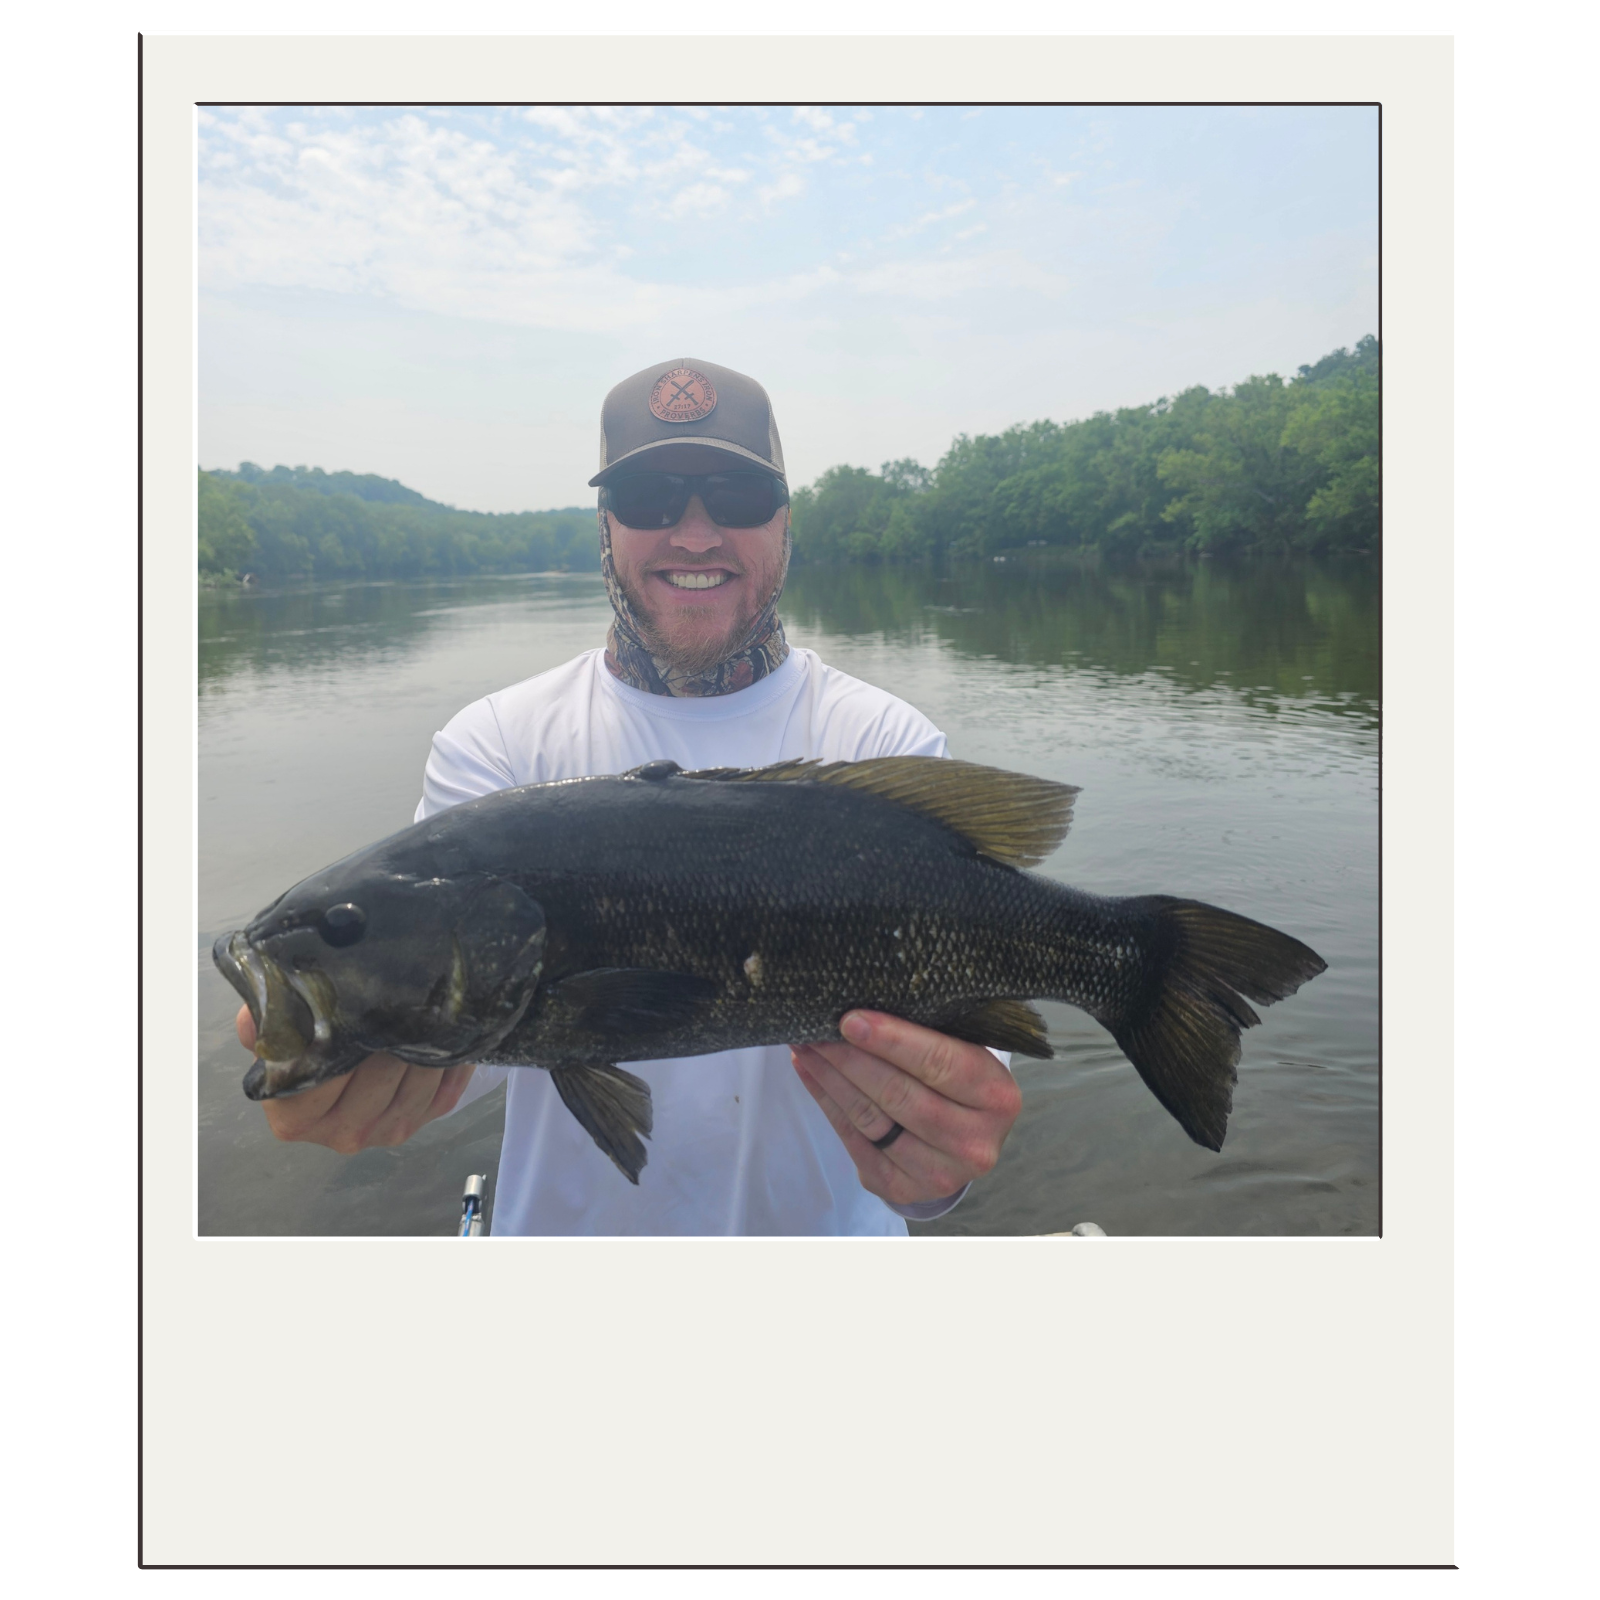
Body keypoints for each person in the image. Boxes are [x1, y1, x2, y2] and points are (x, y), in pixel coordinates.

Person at [238, 358, 1023, 1234]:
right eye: (651, 499)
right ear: (605, 527)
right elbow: (478, 1056)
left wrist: (935, 1170)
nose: (694, 534)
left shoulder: (886, 745)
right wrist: (362, 1074)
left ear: (785, 523)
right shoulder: (496, 744)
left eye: (735, 496)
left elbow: (955, 1087)